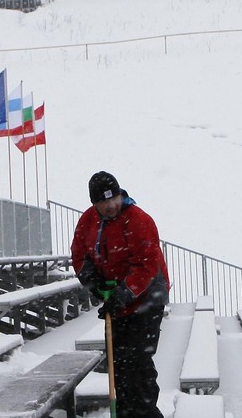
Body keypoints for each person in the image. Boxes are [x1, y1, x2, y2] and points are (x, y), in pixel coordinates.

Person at [70, 171, 170, 418]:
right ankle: (125, 411)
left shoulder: (139, 220)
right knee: (119, 364)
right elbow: (79, 254)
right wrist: (93, 282)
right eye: (104, 202)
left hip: (147, 298)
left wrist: (124, 294)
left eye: (113, 198)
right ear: (94, 203)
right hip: (116, 300)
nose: (111, 205)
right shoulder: (88, 221)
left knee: (138, 361)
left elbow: (146, 265)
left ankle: (146, 412)